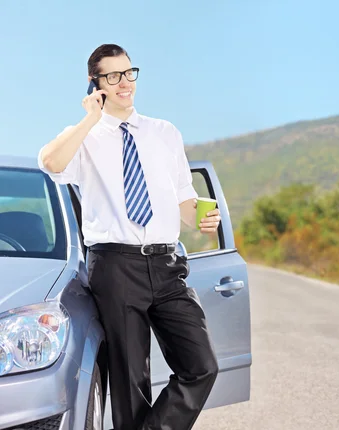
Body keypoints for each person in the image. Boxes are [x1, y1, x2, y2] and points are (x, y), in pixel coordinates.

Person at [38, 44, 221, 430]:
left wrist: (200, 218)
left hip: (168, 265)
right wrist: (90, 117)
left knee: (202, 366)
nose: (125, 83)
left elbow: (184, 200)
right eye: (113, 76)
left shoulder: (164, 133)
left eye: (129, 73)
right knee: (130, 383)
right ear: (96, 83)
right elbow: (51, 162)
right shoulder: (83, 137)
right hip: (115, 265)